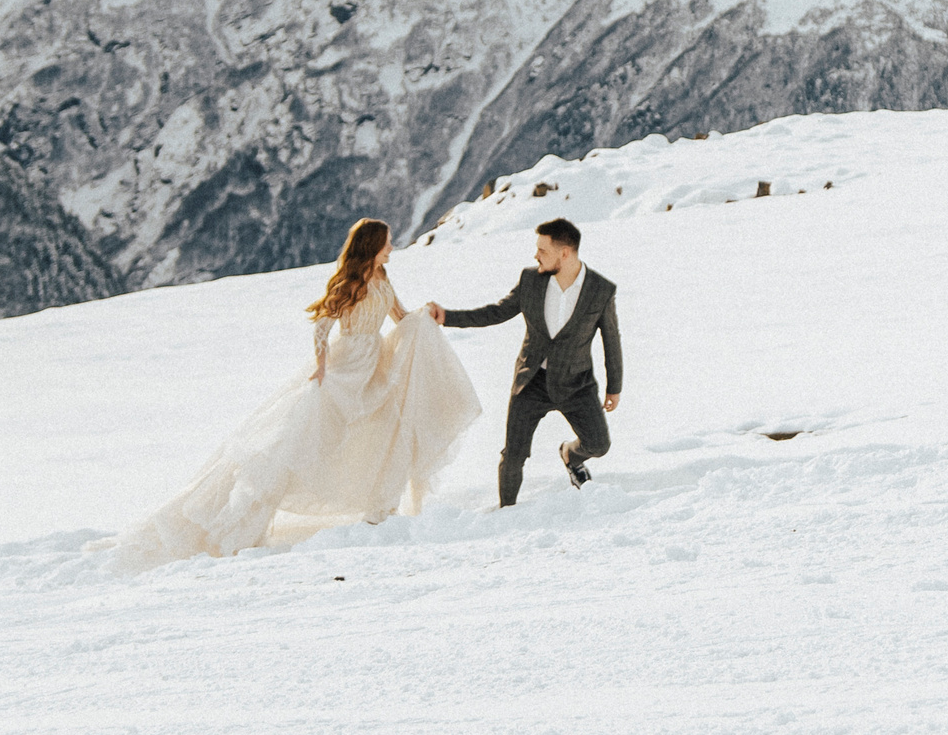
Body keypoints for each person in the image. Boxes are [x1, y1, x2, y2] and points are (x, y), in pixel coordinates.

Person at [95, 218, 481, 572]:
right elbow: (322, 325)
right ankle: (239, 520)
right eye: (387, 243)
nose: (392, 248)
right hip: (347, 365)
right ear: (372, 245)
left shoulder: (382, 277)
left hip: (373, 367)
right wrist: (322, 365)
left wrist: (423, 316)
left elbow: (399, 318)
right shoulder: (351, 282)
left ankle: (380, 504)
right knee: (297, 439)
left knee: (384, 427)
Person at [427, 217, 621, 504]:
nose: (535, 256)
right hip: (531, 382)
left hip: (576, 384)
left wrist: (614, 387)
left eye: (542, 250)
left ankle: (570, 455)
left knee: (599, 444)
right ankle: (506, 510)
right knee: (513, 455)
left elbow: (611, 340)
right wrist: (448, 317)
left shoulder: (601, 290)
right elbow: (496, 312)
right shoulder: (531, 280)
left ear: (564, 253)